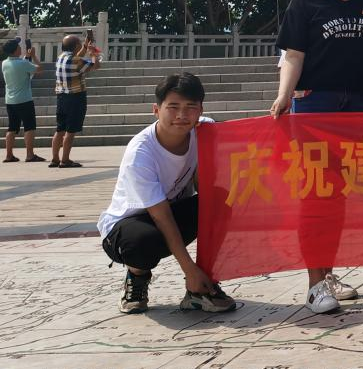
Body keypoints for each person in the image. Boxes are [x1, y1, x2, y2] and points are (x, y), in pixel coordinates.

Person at [270, 0, 363, 314]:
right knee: (316, 194)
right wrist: (285, 93)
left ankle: (329, 272)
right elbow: (294, 55)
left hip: (357, 107)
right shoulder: (305, 2)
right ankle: (315, 283)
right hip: (316, 106)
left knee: (339, 197)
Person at [98, 72, 237, 314]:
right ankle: (137, 276)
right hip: (129, 225)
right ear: (156, 109)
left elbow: (205, 185)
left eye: (190, 107)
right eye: (173, 107)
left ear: (200, 109)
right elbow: (161, 215)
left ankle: (200, 288)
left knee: (219, 201)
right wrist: (188, 269)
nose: (182, 115)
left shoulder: (205, 130)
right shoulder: (141, 153)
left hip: (171, 210)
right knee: (142, 242)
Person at [51, 33, 98, 168]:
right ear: (75, 46)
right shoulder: (76, 61)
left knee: (60, 129)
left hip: (62, 97)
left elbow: (77, 56)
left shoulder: (61, 57)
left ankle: (55, 159)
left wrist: (84, 46)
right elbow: (94, 66)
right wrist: (93, 53)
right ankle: (65, 160)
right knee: (70, 131)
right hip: (76, 98)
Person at [4, 37, 45, 163]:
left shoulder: (4, 63)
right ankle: (30, 154)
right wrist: (34, 55)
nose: (20, 47)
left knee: (12, 128)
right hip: (24, 100)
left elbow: (21, 67)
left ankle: (9, 155)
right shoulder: (22, 63)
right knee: (29, 127)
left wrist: (27, 58)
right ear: (15, 50)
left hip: (10, 100)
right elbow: (39, 69)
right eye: (18, 46)